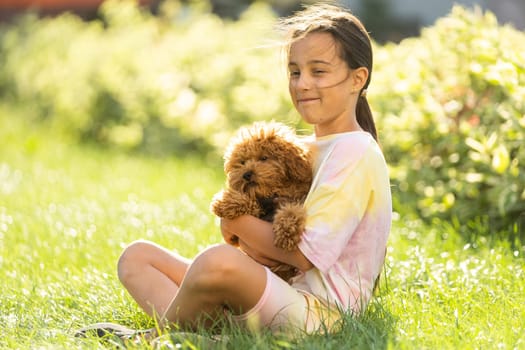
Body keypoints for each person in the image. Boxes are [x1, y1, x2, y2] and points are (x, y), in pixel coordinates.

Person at [108, 3, 391, 338]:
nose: (302, 85)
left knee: (218, 262)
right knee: (138, 258)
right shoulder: (308, 149)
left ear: (357, 79)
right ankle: (212, 339)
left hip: (318, 316)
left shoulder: (355, 151)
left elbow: (303, 256)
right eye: (295, 71)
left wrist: (234, 221)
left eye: (319, 72)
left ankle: (159, 339)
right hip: (275, 292)